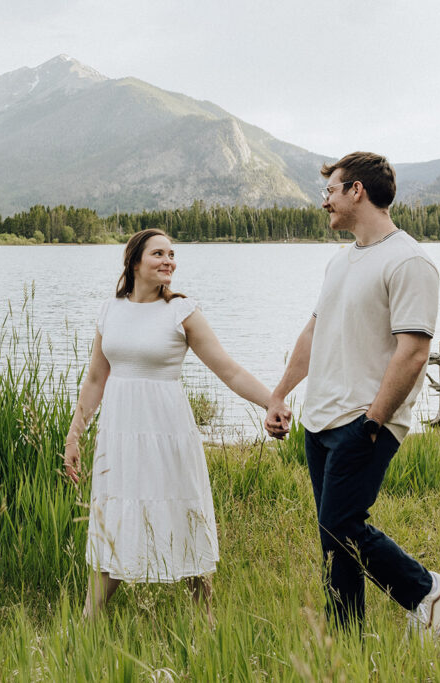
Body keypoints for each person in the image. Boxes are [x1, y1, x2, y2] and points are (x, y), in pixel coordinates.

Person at [263, 152, 440, 638]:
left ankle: (425, 591)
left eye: (330, 190)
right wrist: (280, 395)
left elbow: (413, 352)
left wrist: (374, 420)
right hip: (321, 421)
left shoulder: (409, 260)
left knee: (343, 525)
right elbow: (314, 333)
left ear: (357, 191)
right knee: (333, 538)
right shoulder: (340, 260)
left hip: (364, 421)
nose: (323, 200)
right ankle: (345, 639)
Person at [64, 228, 285, 620]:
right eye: (158, 254)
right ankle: (89, 620)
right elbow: (96, 380)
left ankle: (205, 619)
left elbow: (228, 370)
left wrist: (273, 402)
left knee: (182, 513)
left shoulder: (182, 312)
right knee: (114, 516)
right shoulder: (109, 311)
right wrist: (74, 435)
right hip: (119, 435)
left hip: (167, 433)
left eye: (172, 254)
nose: (169, 261)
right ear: (134, 262)